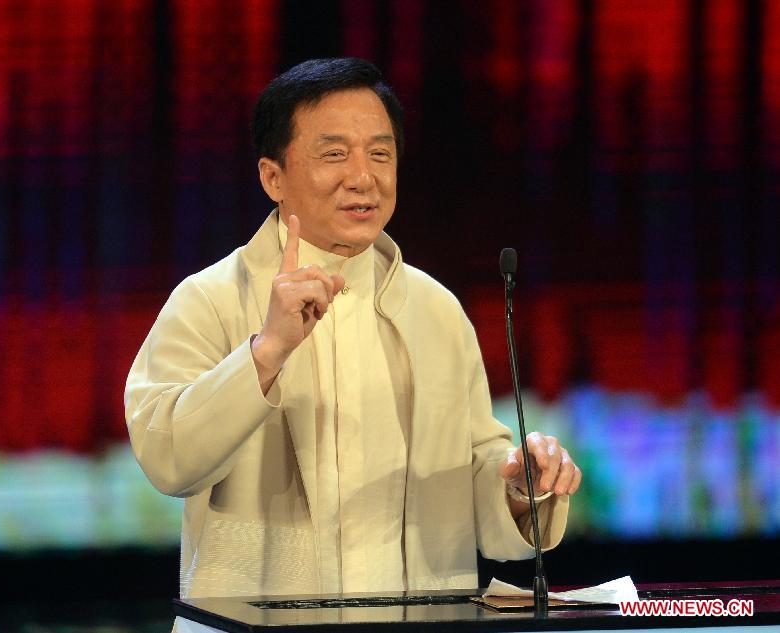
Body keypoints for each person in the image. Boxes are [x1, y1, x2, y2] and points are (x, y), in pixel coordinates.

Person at [125, 58, 581, 599]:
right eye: (334, 154)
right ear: (273, 176)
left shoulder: (434, 309)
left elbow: (476, 475)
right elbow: (168, 459)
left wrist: (520, 486)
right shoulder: (212, 297)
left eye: (380, 154)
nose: (363, 177)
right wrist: (267, 351)